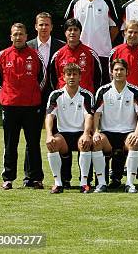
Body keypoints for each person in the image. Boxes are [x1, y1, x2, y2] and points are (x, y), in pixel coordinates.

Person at [0, 23, 46, 190]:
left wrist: (31, 94)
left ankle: (35, 178)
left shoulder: (36, 55)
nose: (18, 37)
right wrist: (8, 95)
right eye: (15, 34)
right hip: (10, 106)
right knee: (10, 144)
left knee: (33, 144)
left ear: (26, 36)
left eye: (21, 34)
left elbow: (42, 79)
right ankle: (8, 178)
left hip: (31, 106)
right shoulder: (2, 56)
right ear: (11, 37)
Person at [92, 58, 138, 193]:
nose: (119, 72)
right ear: (111, 72)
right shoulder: (103, 91)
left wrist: (137, 133)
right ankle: (101, 184)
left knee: (134, 142)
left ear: (127, 72)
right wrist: (95, 132)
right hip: (108, 132)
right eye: (116, 69)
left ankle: (130, 184)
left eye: (122, 69)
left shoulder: (135, 91)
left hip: (128, 133)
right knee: (97, 142)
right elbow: (96, 115)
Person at [27, 12, 67, 183]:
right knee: (32, 138)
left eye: (47, 24)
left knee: (61, 136)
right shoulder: (28, 46)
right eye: (40, 24)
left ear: (51, 27)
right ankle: (32, 177)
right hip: (33, 98)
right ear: (35, 26)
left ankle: (64, 178)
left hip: (56, 99)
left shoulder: (61, 46)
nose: (44, 27)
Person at [45, 63, 97, 193]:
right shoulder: (56, 95)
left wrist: (86, 133)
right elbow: (49, 116)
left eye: (75, 74)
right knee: (52, 143)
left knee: (85, 142)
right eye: (69, 74)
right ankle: (58, 183)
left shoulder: (86, 95)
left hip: (80, 133)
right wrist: (49, 135)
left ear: (80, 77)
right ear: (63, 77)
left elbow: (89, 117)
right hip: (63, 134)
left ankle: (84, 183)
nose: (72, 77)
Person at [65, 0, 119, 82]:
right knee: (81, 86)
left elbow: (115, 27)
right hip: (79, 53)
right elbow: (67, 28)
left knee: (102, 86)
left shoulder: (107, 2)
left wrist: (105, 42)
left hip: (102, 54)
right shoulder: (75, 2)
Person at [49, 18, 103, 94]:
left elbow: (98, 77)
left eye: (75, 30)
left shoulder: (90, 53)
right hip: (63, 98)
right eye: (70, 30)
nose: (72, 32)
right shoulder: (58, 55)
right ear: (65, 32)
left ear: (80, 32)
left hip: (85, 98)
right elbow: (53, 79)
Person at [109, 20, 138, 91]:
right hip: (121, 94)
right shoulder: (115, 51)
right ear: (125, 32)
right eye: (130, 32)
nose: (132, 35)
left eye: (136, 32)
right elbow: (111, 75)